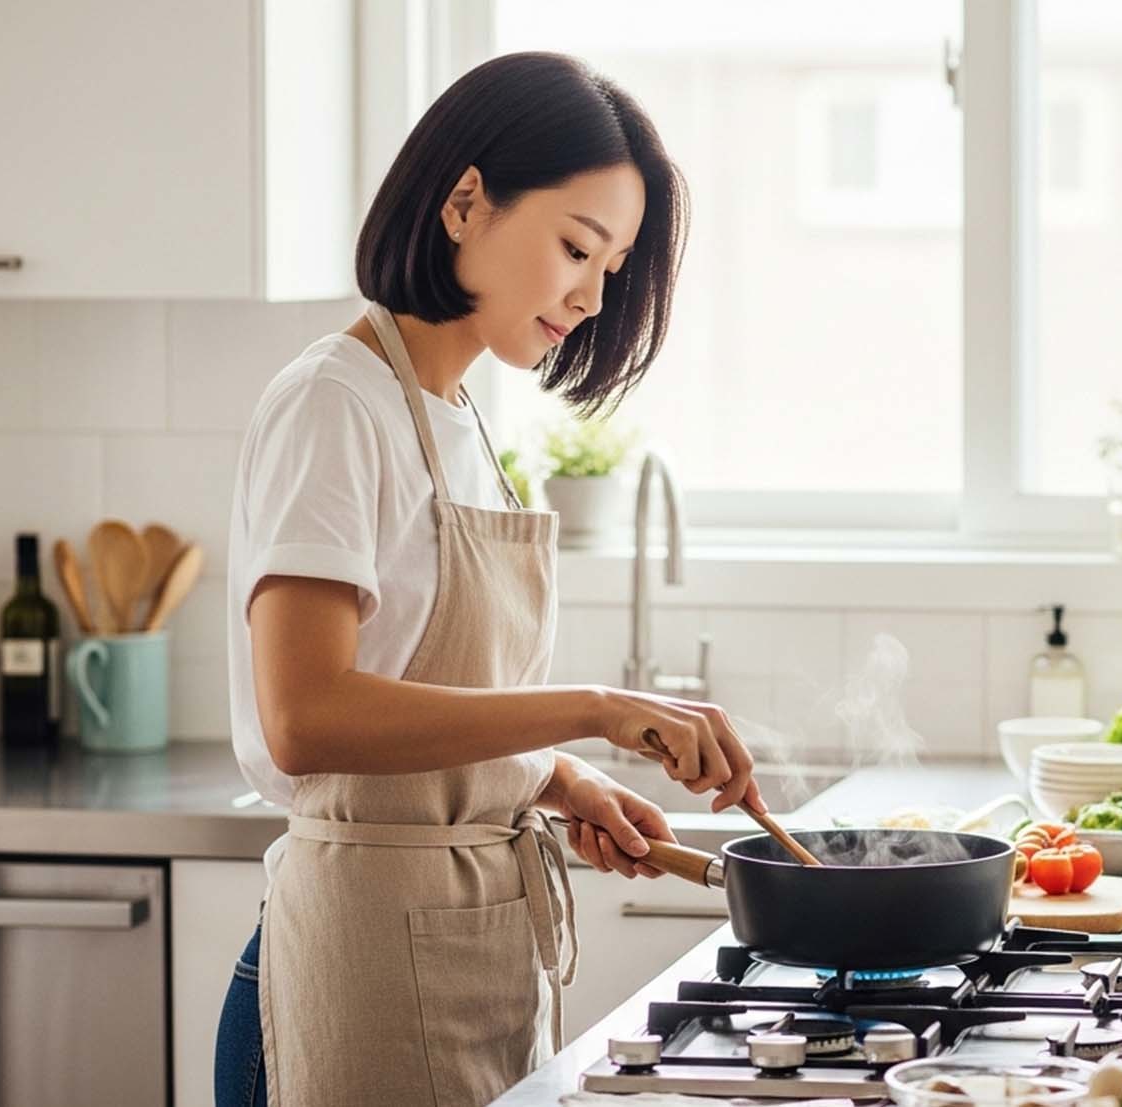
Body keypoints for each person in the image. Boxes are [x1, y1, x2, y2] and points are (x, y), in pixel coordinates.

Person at [214, 51, 764, 1107]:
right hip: (351, 961)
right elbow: (307, 716)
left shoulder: (463, 421)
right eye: (576, 247)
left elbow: (425, 705)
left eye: (611, 267)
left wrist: (554, 781)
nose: (594, 296)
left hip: (470, 949)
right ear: (466, 201)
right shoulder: (334, 402)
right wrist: (598, 712)